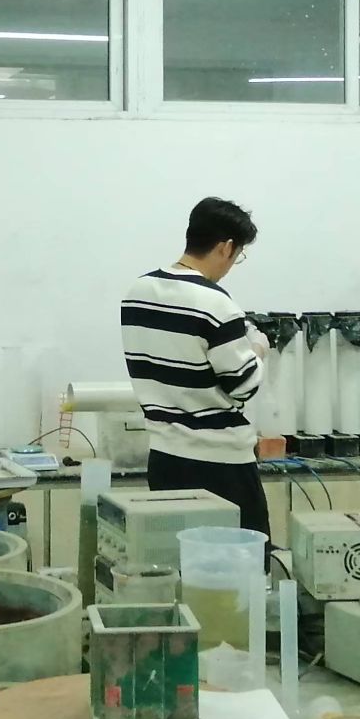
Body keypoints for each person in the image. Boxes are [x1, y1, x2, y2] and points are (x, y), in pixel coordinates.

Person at [121, 197, 270, 535]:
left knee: (176, 556)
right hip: (221, 465)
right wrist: (258, 349)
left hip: (165, 459)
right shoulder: (216, 303)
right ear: (226, 247)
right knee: (240, 560)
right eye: (238, 255)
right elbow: (243, 385)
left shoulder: (137, 292)